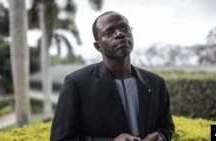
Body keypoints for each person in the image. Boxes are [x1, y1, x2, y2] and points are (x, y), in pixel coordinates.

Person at [50, 11, 175, 141]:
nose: (120, 34)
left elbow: (166, 127)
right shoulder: (78, 83)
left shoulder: (156, 82)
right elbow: (60, 138)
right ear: (98, 46)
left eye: (125, 28)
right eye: (109, 32)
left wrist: (161, 136)